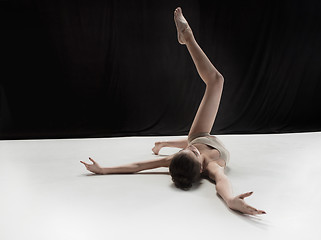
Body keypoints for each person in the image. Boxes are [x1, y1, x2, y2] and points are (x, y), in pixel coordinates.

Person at [81, 7, 265, 215]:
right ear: (201, 169)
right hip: (206, 138)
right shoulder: (213, 167)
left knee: (215, 82)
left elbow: (139, 165)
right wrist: (231, 200)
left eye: (184, 151)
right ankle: (187, 39)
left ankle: (187, 37)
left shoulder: (179, 159)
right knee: (217, 81)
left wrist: (103, 169)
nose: (191, 149)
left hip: (199, 135)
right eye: (192, 153)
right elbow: (222, 182)